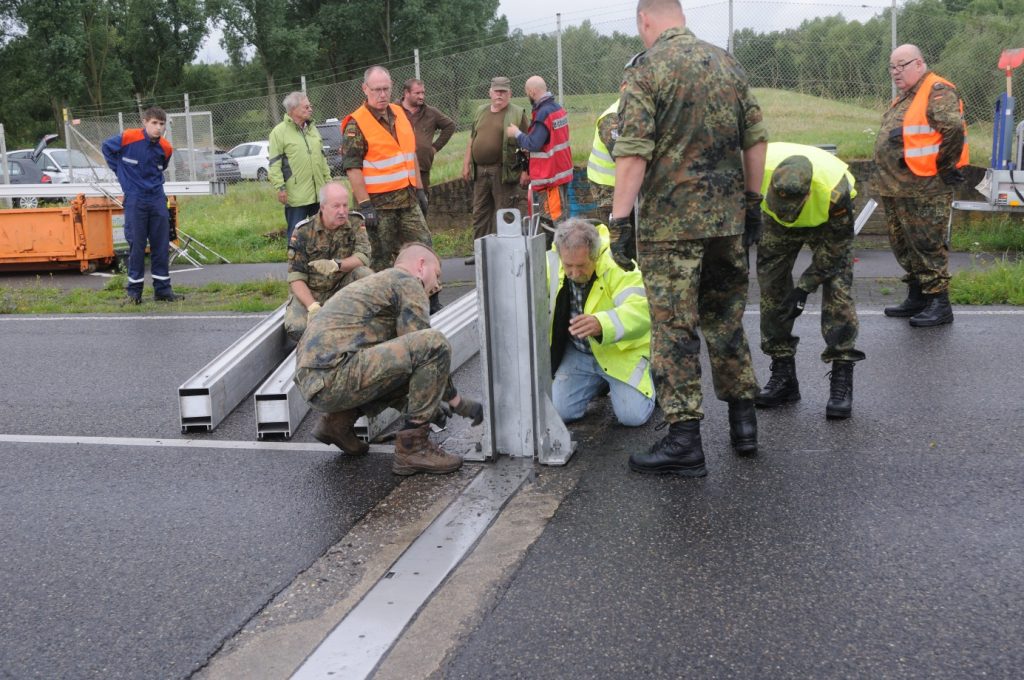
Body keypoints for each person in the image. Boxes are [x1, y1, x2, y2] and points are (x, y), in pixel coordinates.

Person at [609, 0, 768, 477]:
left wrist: (620, 221)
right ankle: (744, 425)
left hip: (670, 227)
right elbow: (756, 139)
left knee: (674, 328)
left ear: (645, 20)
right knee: (725, 318)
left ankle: (684, 442)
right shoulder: (727, 63)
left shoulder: (646, 71)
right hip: (726, 219)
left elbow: (632, 153)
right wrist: (752, 201)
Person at [293, 243, 484, 475]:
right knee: (435, 342)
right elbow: (426, 348)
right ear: (421, 266)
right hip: (334, 374)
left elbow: (397, 368)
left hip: (317, 381)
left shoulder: (380, 285)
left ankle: (337, 423)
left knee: (407, 362)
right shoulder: (407, 282)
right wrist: (458, 403)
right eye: (437, 274)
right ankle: (413, 448)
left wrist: (428, 404)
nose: (438, 284)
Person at [754, 143, 866, 420]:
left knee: (838, 290)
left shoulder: (835, 190)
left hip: (827, 223)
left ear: (806, 195)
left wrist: (804, 287)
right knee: (771, 287)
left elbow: (836, 250)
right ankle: (784, 376)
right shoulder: (755, 167)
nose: (787, 212)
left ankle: (841, 375)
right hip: (776, 226)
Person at [875, 43, 968, 327]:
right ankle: (918, 296)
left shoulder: (937, 90)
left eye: (901, 65)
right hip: (898, 187)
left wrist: (944, 166)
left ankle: (939, 302)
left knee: (926, 244)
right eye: (892, 67)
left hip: (925, 187)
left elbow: (953, 129)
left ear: (919, 63)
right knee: (904, 245)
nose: (895, 72)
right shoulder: (907, 96)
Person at [342, 66, 441, 313]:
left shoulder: (399, 113)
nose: (382, 94)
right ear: (365, 89)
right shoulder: (356, 124)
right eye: (376, 89)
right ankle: (383, 309)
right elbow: (353, 169)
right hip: (378, 206)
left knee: (423, 246)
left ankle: (431, 299)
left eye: (386, 89)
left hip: (408, 200)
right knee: (380, 258)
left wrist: (419, 190)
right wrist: (365, 206)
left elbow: (410, 154)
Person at [548, 218, 656, 427]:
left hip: (618, 353)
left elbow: (642, 310)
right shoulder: (550, 263)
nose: (574, 273)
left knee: (632, 417)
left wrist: (602, 323)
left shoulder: (620, 265)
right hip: (579, 352)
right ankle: (599, 383)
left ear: (595, 254)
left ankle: (654, 377)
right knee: (558, 412)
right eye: (568, 265)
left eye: (581, 266)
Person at [102, 106, 182, 304]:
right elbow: (106, 148)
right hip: (135, 199)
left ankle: (163, 291)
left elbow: (162, 166)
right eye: (154, 123)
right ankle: (134, 293)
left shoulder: (166, 148)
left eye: (162, 124)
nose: (158, 127)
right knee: (137, 246)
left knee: (161, 245)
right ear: (145, 122)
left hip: (156, 198)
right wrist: (121, 172)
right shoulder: (129, 137)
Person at [284, 181, 373, 342]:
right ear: (323, 207)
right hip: (312, 291)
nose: (342, 211)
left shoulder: (355, 222)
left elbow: (363, 256)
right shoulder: (304, 231)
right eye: (336, 206)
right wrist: (312, 306)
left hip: (341, 288)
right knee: (297, 328)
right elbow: (296, 277)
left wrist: (337, 265)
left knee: (364, 274)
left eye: (345, 205)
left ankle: (362, 322)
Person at [462, 76, 530, 265]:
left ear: (510, 94)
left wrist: (526, 170)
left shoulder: (517, 113)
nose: (499, 95)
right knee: (480, 212)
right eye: (496, 91)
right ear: (490, 92)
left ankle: (506, 253)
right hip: (480, 171)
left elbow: (526, 144)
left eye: (503, 92)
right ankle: (480, 252)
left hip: (503, 171)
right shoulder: (481, 111)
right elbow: (472, 138)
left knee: (505, 212)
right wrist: (466, 163)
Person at [507, 76, 573, 228]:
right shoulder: (557, 109)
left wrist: (517, 133)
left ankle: (553, 244)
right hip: (561, 172)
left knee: (553, 222)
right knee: (562, 218)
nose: (527, 95)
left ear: (532, 91)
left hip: (551, 178)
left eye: (527, 92)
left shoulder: (543, 114)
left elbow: (533, 144)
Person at [268, 91, 332, 242]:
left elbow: (322, 158)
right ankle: (295, 257)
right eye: (306, 107)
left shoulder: (313, 129)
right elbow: (274, 164)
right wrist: (280, 188)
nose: (310, 109)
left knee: (322, 233)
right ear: (293, 109)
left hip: (319, 193)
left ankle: (320, 257)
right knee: (296, 236)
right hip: (296, 196)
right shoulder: (278, 132)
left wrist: (329, 183)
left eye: (310, 106)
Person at [400, 78, 456, 192]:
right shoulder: (393, 110)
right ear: (406, 93)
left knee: (422, 200)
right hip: (399, 169)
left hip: (422, 168)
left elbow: (450, 126)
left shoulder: (431, 113)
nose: (421, 96)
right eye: (417, 93)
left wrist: (434, 148)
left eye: (423, 93)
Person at [586, 98, 621, 212]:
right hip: (607, 185)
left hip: (623, 181)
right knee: (614, 222)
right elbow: (620, 155)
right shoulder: (611, 118)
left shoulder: (637, 112)